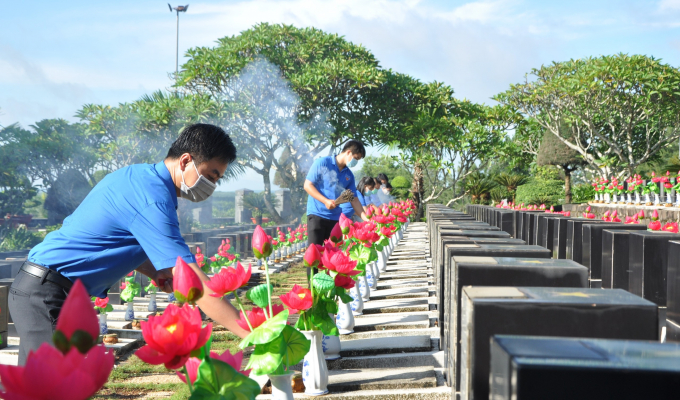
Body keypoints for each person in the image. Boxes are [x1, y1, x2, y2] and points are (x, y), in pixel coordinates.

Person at [9, 123, 251, 365]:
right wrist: (253, 334)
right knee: (51, 386)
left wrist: (153, 270)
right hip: (46, 294)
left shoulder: (138, 177)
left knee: (53, 383)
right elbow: (195, 283)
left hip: (48, 290)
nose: (212, 186)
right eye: (210, 176)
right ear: (186, 161)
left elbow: (111, 238)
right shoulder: (152, 199)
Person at [304, 140, 368, 247]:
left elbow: (354, 199)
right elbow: (307, 185)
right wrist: (325, 201)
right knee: (315, 254)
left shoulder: (349, 175)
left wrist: (366, 219)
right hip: (317, 215)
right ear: (348, 152)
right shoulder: (323, 162)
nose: (356, 162)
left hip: (335, 218)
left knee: (332, 255)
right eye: (356, 158)